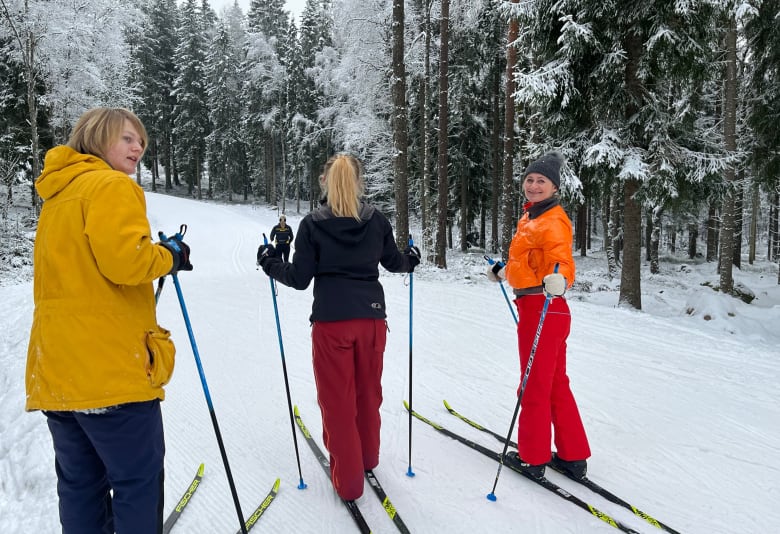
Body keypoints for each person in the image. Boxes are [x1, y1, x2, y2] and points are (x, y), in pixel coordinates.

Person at [25, 107, 193, 533]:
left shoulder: (58, 196)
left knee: (81, 486)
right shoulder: (111, 185)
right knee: (136, 482)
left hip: (59, 375)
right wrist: (169, 256)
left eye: (141, 141)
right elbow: (126, 261)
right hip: (110, 373)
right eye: (127, 138)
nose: (137, 147)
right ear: (97, 137)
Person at [258, 153, 420, 502]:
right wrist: (413, 258)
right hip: (372, 320)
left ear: (324, 182)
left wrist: (270, 262)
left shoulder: (314, 224)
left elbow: (299, 278)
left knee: (338, 402)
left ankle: (348, 483)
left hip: (333, 322)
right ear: (360, 181)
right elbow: (395, 263)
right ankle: (367, 459)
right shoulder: (376, 220)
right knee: (367, 393)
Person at [487, 151, 590, 481]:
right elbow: (531, 262)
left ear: (555, 187)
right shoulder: (531, 218)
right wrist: (505, 272)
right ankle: (573, 457)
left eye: (541, 181)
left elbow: (561, 262)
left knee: (533, 385)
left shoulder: (553, 219)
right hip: (541, 307)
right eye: (529, 180)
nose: (533, 185)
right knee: (555, 382)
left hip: (544, 308)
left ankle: (533, 458)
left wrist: (562, 280)